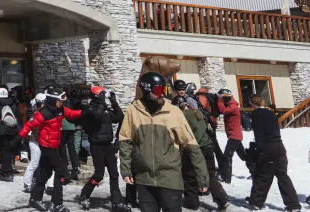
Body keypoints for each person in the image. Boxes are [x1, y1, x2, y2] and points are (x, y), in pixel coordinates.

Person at [119, 72, 209, 212]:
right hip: (144, 179)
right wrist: (125, 169)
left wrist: (202, 177)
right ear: (146, 90)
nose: (162, 93)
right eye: (158, 90)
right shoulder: (133, 111)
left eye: (164, 89)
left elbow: (191, 144)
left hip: (170, 179)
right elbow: (125, 141)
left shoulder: (173, 111)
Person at [15, 85, 86, 212]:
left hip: (54, 146)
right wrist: (17, 139)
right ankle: (57, 204)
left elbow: (71, 114)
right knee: (61, 172)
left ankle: (35, 199)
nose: (62, 102)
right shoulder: (43, 113)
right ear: (53, 100)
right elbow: (29, 126)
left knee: (45, 173)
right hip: (47, 147)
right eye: (60, 100)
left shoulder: (60, 109)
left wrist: (85, 112)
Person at [244, 95, 300, 211]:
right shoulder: (270, 112)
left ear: (252, 103)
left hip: (267, 146)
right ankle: (293, 205)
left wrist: (258, 148)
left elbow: (259, 132)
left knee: (263, 175)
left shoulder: (256, 113)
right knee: (282, 176)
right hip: (279, 145)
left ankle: (256, 202)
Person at [173, 94, 228, 211]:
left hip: (195, 148)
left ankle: (192, 202)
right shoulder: (197, 111)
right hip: (207, 147)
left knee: (189, 175)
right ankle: (222, 198)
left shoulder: (182, 115)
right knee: (210, 175)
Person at [77, 85, 127, 211]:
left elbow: (119, 117)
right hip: (96, 146)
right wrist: (101, 103)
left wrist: (114, 102)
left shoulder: (105, 110)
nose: (104, 98)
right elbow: (97, 116)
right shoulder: (89, 110)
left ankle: (116, 202)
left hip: (108, 145)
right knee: (99, 175)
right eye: (102, 96)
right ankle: (85, 194)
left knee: (114, 174)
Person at [216, 88, 246, 183]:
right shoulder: (230, 105)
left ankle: (226, 178)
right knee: (244, 156)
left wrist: (219, 100)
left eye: (222, 98)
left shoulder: (233, 107)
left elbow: (223, 111)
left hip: (234, 135)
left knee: (227, 156)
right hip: (234, 135)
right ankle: (256, 171)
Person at [22, 93, 45, 194]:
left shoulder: (44, 112)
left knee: (48, 162)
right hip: (35, 141)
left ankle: (50, 185)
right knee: (34, 163)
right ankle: (27, 183)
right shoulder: (37, 113)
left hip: (43, 141)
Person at [60, 92, 80, 181]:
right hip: (71, 127)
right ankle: (76, 166)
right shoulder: (72, 102)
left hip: (63, 127)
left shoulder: (61, 104)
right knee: (71, 147)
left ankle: (65, 165)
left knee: (62, 147)